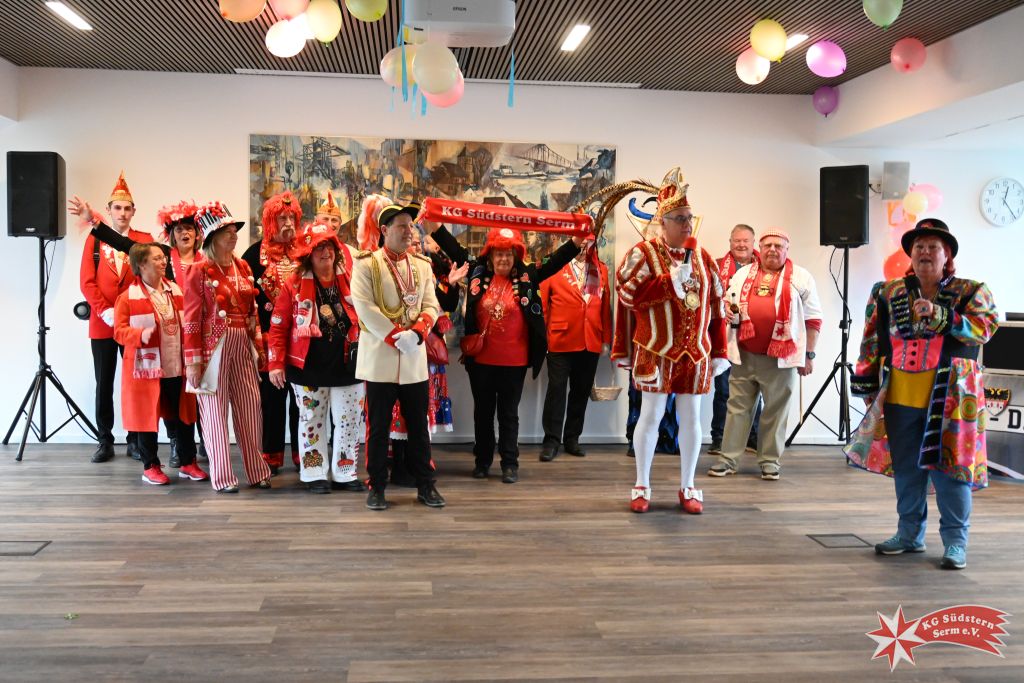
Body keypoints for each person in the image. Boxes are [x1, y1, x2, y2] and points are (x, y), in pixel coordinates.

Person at [845, 219, 998, 570]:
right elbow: (871, 340)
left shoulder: (972, 291)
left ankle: (956, 543)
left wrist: (944, 315)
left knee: (951, 471)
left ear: (948, 255)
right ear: (910, 254)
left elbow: (985, 329)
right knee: (907, 470)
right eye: (919, 247)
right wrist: (867, 383)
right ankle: (909, 534)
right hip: (901, 396)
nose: (925, 252)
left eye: (933, 247)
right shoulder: (886, 292)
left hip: (952, 400)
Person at [428, 223, 583, 484]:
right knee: (483, 413)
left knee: (509, 414)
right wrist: (435, 227)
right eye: (499, 253)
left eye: (509, 254)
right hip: (481, 361)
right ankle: (482, 461)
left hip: (514, 361)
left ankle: (510, 464)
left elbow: (554, 261)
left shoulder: (528, 275)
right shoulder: (477, 271)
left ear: (516, 256)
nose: (503, 258)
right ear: (490, 255)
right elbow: (455, 250)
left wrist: (576, 242)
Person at [612, 168, 728, 514]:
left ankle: (688, 485)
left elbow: (717, 306)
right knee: (650, 416)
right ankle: (641, 484)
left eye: (690, 218)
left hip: (696, 353)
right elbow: (627, 295)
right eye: (680, 218)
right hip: (656, 349)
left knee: (692, 419)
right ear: (662, 222)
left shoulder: (704, 258)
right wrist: (667, 283)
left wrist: (720, 349)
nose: (687, 225)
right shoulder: (643, 253)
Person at [70, 197, 209, 467]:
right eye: (179, 229)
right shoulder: (162, 256)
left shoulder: (207, 260)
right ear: (171, 234)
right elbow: (125, 244)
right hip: (171, 336)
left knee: (202, 390)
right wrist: (93, 220)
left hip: (201, 334)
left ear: (198, 233)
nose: (184, 233)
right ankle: (176, 447)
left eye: (189, 228)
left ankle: (207, 442)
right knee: (172, 393)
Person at [350, 201, 445, 510]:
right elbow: (364, 307)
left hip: (413, 359)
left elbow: (431, 305)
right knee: (378, 428)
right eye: (402, 226)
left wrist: (416, 333)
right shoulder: (366, 265)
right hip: (380, 359)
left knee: (418, 426)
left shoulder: (422, 265)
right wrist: (395, 337)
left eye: (411, 226)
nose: (409, 231)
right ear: (384, 230)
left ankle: (426, 485)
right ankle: (377, 486)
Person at [709, 228, 822, 480]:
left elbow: (814, 319)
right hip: (745, 354)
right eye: (767, 245)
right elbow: (728, 302)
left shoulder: (801, 277)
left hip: (781, 359)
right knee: (737, 408)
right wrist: (728, 310)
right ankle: (728, 459)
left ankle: (770, 461)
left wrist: (809, 355)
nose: (772, 250)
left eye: (778, 246)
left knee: (775, 411)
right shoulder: (743, 274)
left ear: (787, 249)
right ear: (759, 248)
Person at [267, 223, 365, 494]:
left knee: (349, 421)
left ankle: (345, 473)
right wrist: (275, 364)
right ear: (308, 254)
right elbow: (278, 327)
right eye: (318, 247)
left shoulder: (353, 279)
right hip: (308, 367)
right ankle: (314, 473)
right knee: (311, 421)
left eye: (329, 246)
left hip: (348, 365)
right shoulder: (294, 284)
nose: (326, 252)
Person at [184, 203, 272, 493]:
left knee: (250, 407)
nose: (234, 236)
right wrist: (193, 362)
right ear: (212, 237)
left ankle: (257, 471)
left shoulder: (242, 266)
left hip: (241, 343)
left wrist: (258, 347)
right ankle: (222, 477)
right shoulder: (199, 270)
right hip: (213, 349)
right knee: (214, 413)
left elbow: (252, 311)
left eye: (234, 231)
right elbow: (191, 319)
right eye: (227, 232)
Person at [113, 243, 208, 485]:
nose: (163, 261)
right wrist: (139, 334)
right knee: (147, 419)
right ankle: (150, 466)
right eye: (156, 258)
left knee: (184, 416)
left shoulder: (176, 291)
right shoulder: (127, 298)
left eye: (163, 257)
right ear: (141, 264)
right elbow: (119, 332)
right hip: (147, 371)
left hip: (176, 365)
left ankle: (188, 462)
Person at [76, 172, 151, 463]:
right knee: (104, 383)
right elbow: (87, 282)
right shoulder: (94, 241)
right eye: (117, 208)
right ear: (108, 210)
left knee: (135, 383)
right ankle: (104, 440)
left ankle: (135, 440)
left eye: (127, 208)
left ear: (134, 211)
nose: (122, 213)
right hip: (102, 322)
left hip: (133, 323)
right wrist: (104, 310)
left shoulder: (143, 241)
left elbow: (149, 280)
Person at [386, 228, 468, 486]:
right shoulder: (391, 270)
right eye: (411, 242)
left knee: (421, 408)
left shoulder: (427, 271)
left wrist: (451, 284)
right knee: (400, 407)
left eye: (419, 243)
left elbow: (447, 304)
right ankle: (399, 465)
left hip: (426, 351)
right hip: (400, 348)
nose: (416, 246)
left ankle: (418, 462)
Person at [242, 191, 302, 474]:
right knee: (271, 400)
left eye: (292, 217)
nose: (288, 223)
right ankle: (271, 454)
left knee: (302, 401)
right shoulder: (253, 255)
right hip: (268, 341)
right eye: (282, 218)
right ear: (270, 222)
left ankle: (304, 453)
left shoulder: (305, 252)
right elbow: (245, 301)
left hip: (302, 341)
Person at [538, 244, 612, 461]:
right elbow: (543, 306)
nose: (583, 247)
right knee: (556, 391)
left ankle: (572, 439)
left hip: (590, 339)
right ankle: (551, 441)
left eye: (587, 243)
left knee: (580, 392)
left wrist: (605, 339)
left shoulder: (601, 269)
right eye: (580, 242)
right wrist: (542, 339)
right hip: (559, 339)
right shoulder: (554, 266)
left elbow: (605, 306)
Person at [710, 224, 762, 455]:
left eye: (745, 241)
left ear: (753, 243)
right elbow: (709, 297)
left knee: (756, 389)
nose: (741, 245)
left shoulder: (765, 268)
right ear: (730, 242)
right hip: (725, 336)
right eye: (737, 240)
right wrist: (722, 308)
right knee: (723, 389)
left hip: (755, 337)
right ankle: (719, 438)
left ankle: (753, 437)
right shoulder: (716, 266)